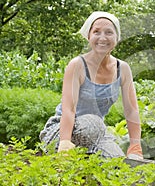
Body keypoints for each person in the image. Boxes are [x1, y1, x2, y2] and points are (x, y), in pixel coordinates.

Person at [39, 11, 143, 159]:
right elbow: (69, 108)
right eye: (96, 32)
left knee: (119, 164)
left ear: (116, 38)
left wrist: (135, 145)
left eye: (109, 32)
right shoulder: (77, 65)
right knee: (94, 122)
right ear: (89, 36)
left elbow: (131, 111)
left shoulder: (123, 68)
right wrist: (65, 142)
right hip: (61, 131)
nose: (102, 37)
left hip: (95, 133)